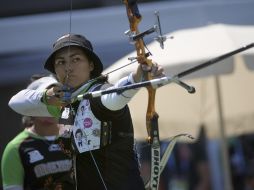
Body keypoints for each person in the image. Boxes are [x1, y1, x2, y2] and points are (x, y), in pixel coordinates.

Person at [8, 34, 164, 190]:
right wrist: (46, 97)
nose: (68, 67)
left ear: (90, 65)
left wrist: (136, 79)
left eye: (76, 59)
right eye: (61, 62)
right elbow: (15, 103)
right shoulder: (64, 103)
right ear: (55, 70)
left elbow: (116, 95)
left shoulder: (100, 95)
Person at [2, 75, 75, 190]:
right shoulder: (15, 147)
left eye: (57, 100)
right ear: (29, 108)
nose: (49, 107)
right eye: (44, 102)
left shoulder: (74, 136)